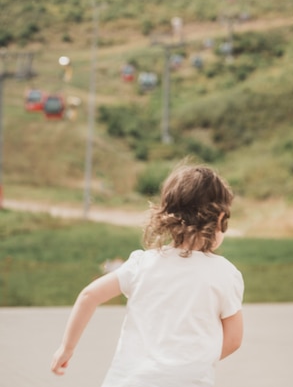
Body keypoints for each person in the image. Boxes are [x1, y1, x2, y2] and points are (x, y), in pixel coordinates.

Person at [50, 162, 244, 387]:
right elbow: (233, 339)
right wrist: (191, 361)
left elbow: (89, 296)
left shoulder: (142, 264)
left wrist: (67, 348)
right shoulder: (224, 273)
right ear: (220, 219)